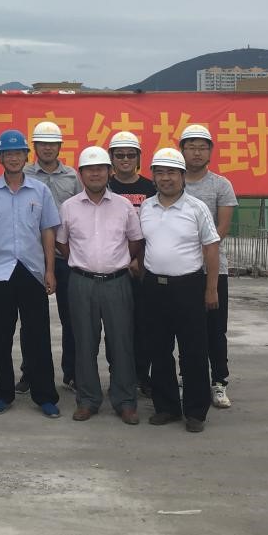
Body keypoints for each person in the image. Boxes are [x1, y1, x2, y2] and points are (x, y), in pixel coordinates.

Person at [55, 146, 143, 424]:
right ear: (81, 174)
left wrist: (118, 261)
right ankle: (88, 400)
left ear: (109, 172)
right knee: (84, 342)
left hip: (117, 282)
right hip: (81, 283)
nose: (95, 173)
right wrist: (83, 262)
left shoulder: (123, 206)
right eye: (90, 169)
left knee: (122, 343)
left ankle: (125, 401)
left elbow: (135, 240)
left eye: (101, 169)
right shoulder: (69, 207)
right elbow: (62, 243)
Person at [0, 130, 61, 418]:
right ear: (0, 158)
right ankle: (3, 394)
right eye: (8, 154)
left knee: (38, 335)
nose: (13, 158)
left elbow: (47, 231)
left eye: (18, 153)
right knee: (1, 336)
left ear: (27, 156)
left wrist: (50, 270)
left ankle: (45, 395)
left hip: (32, 270)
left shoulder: (40, 191)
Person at [138, 148, 220, 434]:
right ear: (153, 177)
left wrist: (211, 289)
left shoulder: (196, 208)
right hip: (154, 287)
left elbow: (211, 248)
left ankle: (195, 411)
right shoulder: (146, 207)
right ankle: (167, 407)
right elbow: (142, 244)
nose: (166, 178)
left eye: (171, 172)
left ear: (183, 176)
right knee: (158, 349)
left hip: (188, 287)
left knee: (193, 350)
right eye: (160, 172)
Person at [180, 124, 239, 410]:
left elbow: (221, 229)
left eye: (202, 147)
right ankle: (188, 379)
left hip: (213, 269)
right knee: (184, 329)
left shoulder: (220, 185)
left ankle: (219, 382)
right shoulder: (171, 181)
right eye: (191, 147)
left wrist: (201, 254)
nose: (196, 152)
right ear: (181, 151)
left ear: (211, 152)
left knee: (215, 329)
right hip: (180, 271)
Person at [24, 120, 83, 392]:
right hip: (33, 257)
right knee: (32, 321)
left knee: (72, 319)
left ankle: (72, 372)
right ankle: (30, 372)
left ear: (60, 147)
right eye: (42, 144)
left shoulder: (72, 177)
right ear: (34, 147)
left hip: (67, 257)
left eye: (52, 144)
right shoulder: (24, 174)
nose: (47, 148)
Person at [107, 130, 158, 397]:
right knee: (115, 327)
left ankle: (141, 375)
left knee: (144, 324)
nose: (125, 159)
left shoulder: (151, 188)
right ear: (111, 159)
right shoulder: (104, 187)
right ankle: (117, 375)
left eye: (130, 155)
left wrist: (139, 260)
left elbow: (157, 228)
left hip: (145, 267)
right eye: (120, 155)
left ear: (138, 158)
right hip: (114, 268)